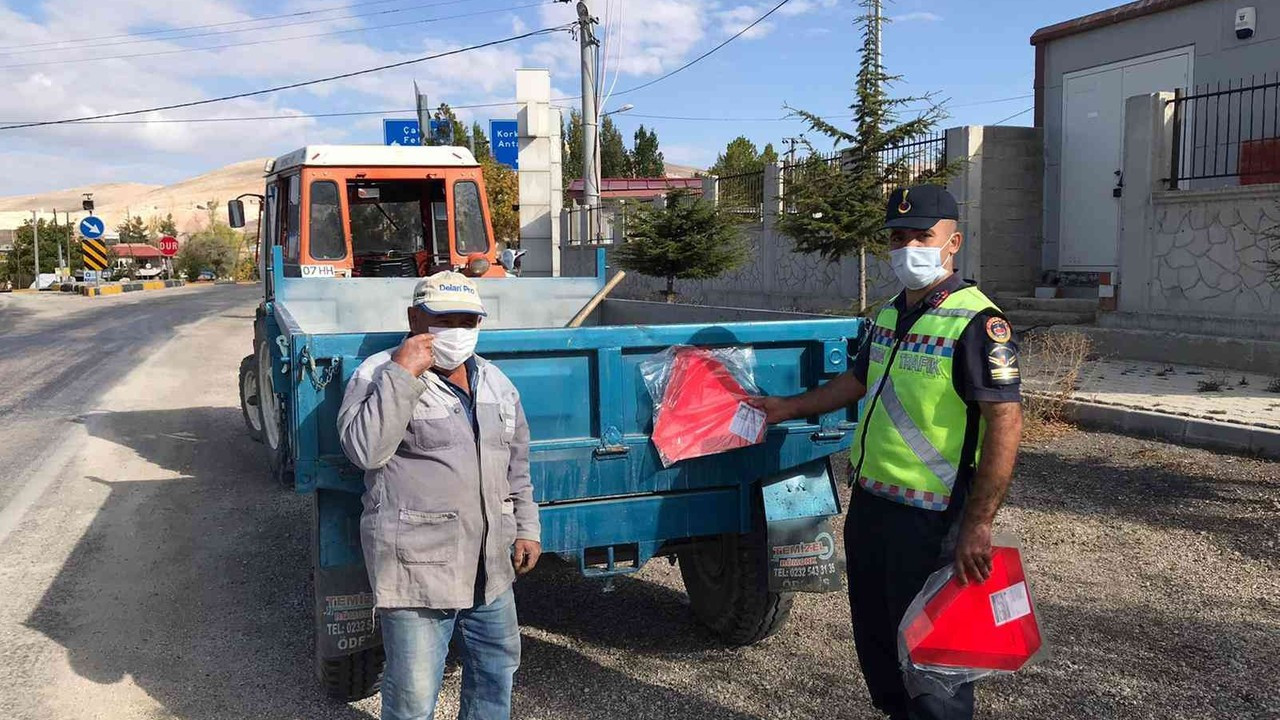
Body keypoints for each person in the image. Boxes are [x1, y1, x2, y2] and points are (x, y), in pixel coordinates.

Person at [754, 185, 1023, 720]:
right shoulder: (889, 314)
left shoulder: (977, 324)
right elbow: (855, 383)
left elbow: (1006, 422)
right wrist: (787, 407)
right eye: (899, 238)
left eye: (923, 236)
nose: (909, 248)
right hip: (874, 506)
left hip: (935, 518)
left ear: (953, 243)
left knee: (933, 664)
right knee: (878, 645)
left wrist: (978, 524)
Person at [337, 271, 541, 720]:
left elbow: (517, 464)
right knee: (413, 696)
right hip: (418, 573)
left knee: (495, 674)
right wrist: (402, 375)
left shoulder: (495, 382)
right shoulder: (376, 375)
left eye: (468, 321)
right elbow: (366, 452)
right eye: (444, 320)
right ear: (415, 318)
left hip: (490, 569)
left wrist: (526, 527)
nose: (458, 332)